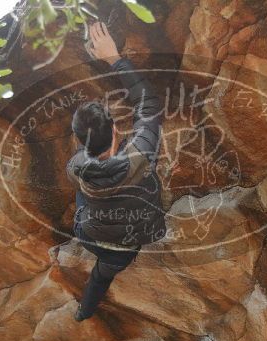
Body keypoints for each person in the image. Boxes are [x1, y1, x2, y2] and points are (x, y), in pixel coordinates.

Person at [66, 21, 165, 322]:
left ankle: (84, 312)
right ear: (115, 132)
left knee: (99, 277)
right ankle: (85, 310)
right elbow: (148, 105)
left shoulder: (76, 167)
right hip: (129, 242)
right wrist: (115, 59)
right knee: (104, 273)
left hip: (91, 234)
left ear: (80, 142)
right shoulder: (141, 154)